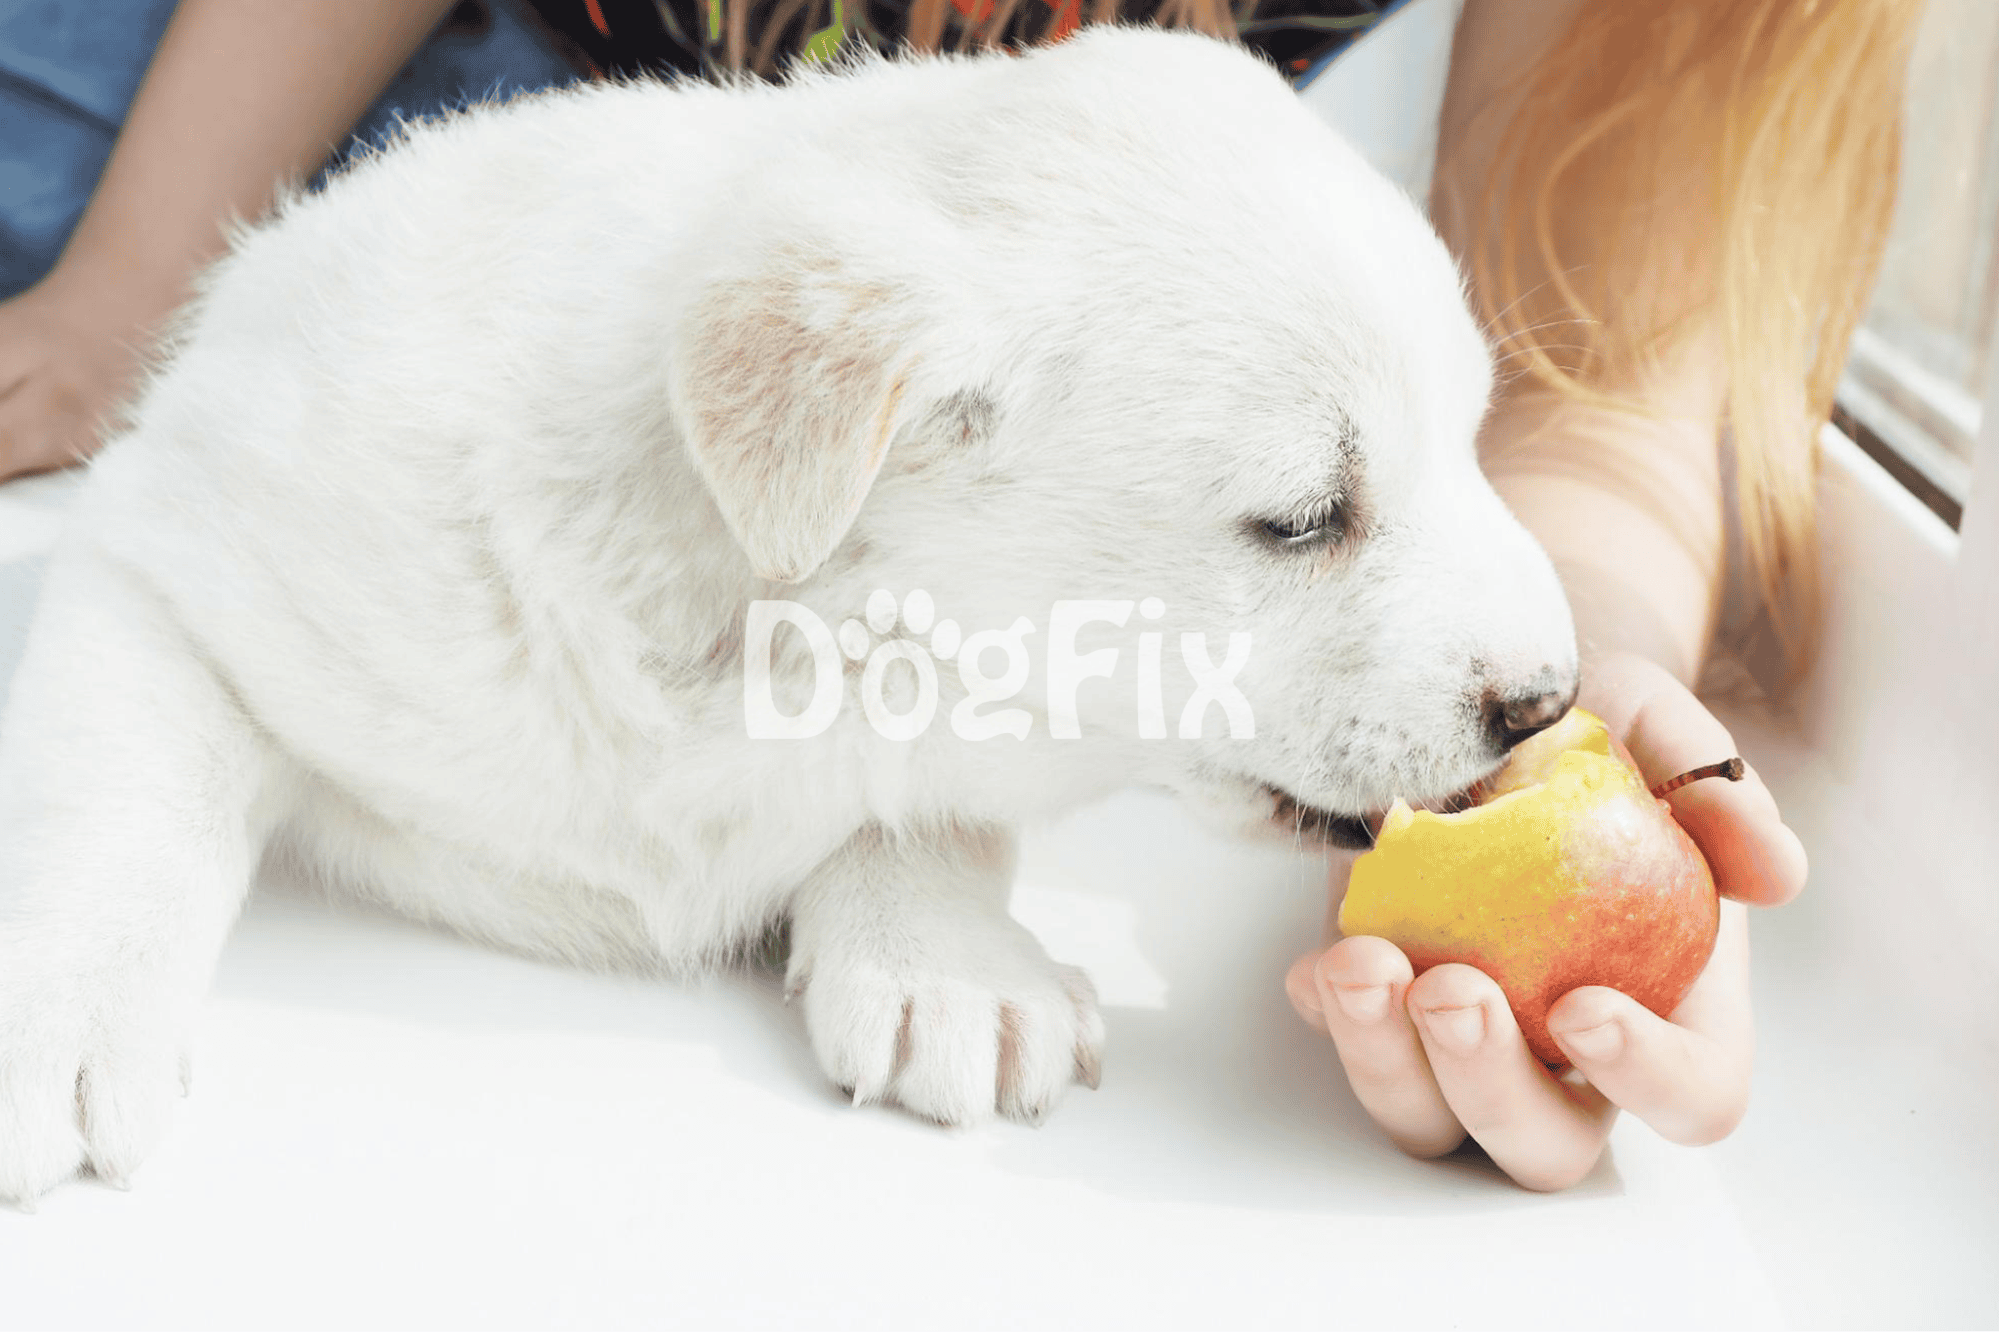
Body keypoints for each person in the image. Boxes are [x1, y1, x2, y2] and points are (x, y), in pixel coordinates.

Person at [0, 0, 1923, 1190]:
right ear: (844, 437)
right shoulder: (442, 455)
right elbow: (158, 588)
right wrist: (123, 303)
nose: (1521, 665)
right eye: (1298, 519)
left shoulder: (1081, 376)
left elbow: (1616, 350)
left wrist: (1598, 734)